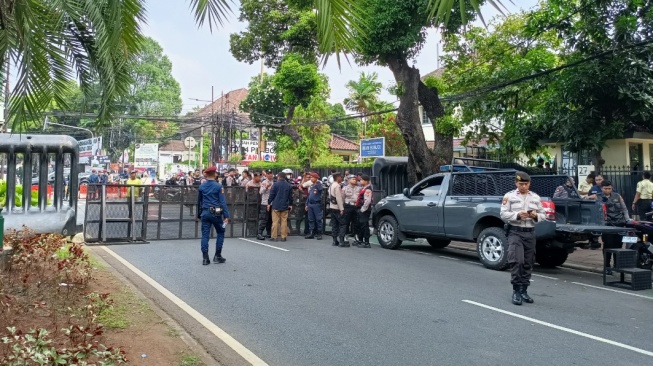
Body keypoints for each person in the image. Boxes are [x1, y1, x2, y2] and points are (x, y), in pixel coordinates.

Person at [500, 171, 547, 306]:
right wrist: (517, 216)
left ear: (529, 184)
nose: (523, 187)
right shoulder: (509, 196)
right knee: (517, 261)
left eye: (526, 184)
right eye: (521, 184)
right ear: (516, 183)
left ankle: (524, 290)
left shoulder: (535, 197)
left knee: (528, 262)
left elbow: (543, 215)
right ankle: (516, 290)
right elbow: (503, 214)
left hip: (530, 233)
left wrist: (535, 216)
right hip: (515, 232)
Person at [197, 166, 230, 265]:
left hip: (205, 212)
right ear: (215, 174)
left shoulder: (201, 186)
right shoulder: (219, 186)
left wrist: (199, 214)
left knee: (205, 235)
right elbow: (222, 202)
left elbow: (198, 202)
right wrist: (226, 215)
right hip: (216, 213)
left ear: (206, 174)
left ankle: (205, 258)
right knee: (220, 232)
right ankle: (217, 255)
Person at [598, 180, 630, 275]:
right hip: (607, 225)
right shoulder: (598, 197)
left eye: (609, 188)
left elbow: (624, 209)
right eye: (605, 188)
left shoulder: (617, 196)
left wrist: (627, 219)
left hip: (619, 223)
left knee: (618, 245)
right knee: (608, 245)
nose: (608, 190)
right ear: (601, 188)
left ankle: (617, 265)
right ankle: (607, 266)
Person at [268, 172, 293, 242]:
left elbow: (271, 195)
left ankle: (274, 237)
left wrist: (269, 202)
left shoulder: (275, 185)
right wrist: (290, 204)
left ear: (278, 177)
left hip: (276, 205)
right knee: (284, 222)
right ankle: (283, 236)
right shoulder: (289, 185)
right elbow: (290, 197)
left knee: (275, 222)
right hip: (285, 205)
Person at [355, 175, 373, 248]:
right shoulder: (364, 188)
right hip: (361, 209)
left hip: (364, 210)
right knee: (360, 225)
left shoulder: (368, 190)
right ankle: (360, 240)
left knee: (364, 226)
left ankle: (366, 242)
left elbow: (367, 201)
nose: (360, 181)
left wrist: (362, 210)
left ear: (366, 181)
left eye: (362, 180)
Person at [328, 172, 346, 247]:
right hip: (337, 207)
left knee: (334, 224)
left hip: (332, 206)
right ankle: (341, 241)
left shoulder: (331, 185)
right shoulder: (337, 186)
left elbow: (329, 195)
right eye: (340, 177)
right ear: (337, 177)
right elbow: (338, 198)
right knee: (342, 224)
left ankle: (334, 240)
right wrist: (341, 209)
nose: (341, 178)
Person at [304, 173, 324, 240]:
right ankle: (311, 233)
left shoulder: (319, 185)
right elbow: (309, 196)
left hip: (317, 204)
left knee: (318, 219)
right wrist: (307, 204)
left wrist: (317, 183)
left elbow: (321, 190)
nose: (311, 179)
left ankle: (319, 233)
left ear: (316, 178)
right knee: (311, 219)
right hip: (310, 204)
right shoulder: (312, 186)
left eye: (312, 177)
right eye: (311, 177)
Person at [342, 174, 361, 241]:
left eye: (355, 179)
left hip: (356, 206)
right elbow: (342, 198)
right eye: (353, 179)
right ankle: (345, 235)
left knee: (356, 222)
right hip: (348, 206)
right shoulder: (345, 188)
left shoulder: (359, 188)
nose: (355, 180)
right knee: (346, 222)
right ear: (349, 180)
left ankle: (355, 235)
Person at [256, 170, 274, 240]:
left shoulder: (273, 182)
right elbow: (261, 192)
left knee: (270, 219)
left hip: (272, 203)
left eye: (271, 174)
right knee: (264, 218)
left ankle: (268, 232)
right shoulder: (264, 182)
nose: (270, 175)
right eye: (269, 174)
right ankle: (259, 233)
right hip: (265, 203)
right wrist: (266, 187)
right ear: (266, 175)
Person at [126, 170, 142, 237]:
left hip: (135, 195)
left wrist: (139, 194)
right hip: (129, 195)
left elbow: (140, 188)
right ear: (130, 174)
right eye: (132, 174)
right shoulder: (128, 180)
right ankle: (130, 216)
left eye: (134, 174)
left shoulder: (138, 181)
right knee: (129, 206)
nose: (133, 175)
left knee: (133, 206)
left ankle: (133, 216)